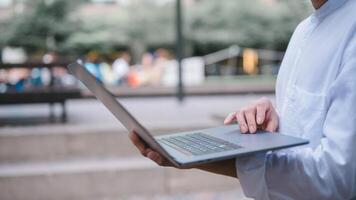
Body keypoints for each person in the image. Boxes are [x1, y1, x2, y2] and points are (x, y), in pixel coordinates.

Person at [129, 0, 356, 199]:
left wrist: (203, 159)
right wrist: (276, 118)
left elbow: (335, 179)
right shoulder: (303, 30)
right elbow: (311, 128)